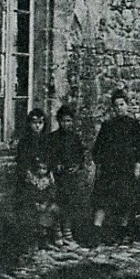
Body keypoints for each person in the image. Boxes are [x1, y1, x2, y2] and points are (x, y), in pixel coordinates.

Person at [91, 90, 140, 244]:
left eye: (122, 105)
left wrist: (137, 166)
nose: (120, 108)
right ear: (113, 108)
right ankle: (96, 232)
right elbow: (97, 149)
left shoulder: (133, 125)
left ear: (127, 106)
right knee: (103, 201)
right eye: (116, 106)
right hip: (110, 170)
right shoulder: (107, 125)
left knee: (127, 200)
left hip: (128, 169)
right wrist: (100, 166)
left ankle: (122, 232)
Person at [48, 104, 85, 243]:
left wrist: (76, 166)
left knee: (70, 204)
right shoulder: (53, 138)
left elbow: (81, 156)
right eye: (63, 121)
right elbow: (49, 156)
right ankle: (57, 232)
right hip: (58, 177)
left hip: (71, 177)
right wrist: (55, 165)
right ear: (59, 121)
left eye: (69, 121)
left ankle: (67, 230)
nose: (66, 124)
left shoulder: (75, 138)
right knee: (57, 203)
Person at [24, 156, 61, 248]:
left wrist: (46, 203)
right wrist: (35, 203)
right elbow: (30, 193)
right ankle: (38, 241)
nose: (41, 171)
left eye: (44, 169)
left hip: (47, 203)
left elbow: (52, 194)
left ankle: (56, 237)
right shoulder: (33, 181)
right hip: (35, 204)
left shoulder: (49, 181)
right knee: (35, 219)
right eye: (39, 168)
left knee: (53, 212)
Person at [16, 108, 50, 196]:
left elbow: (51, 158)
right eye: (35, 123)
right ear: (29, 123)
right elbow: (22, 161)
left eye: (40, 123)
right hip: (28, 178)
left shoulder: (48, 140)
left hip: (45, 178)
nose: (37, 126)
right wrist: (32, 178)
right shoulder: (24, 141)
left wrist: (46, 177)